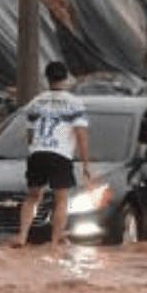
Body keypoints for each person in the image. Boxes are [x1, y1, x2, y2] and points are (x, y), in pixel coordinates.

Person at [15, 61, 91, 250]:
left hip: (38, 153)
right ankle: (55, 242)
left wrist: (36, 149)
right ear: (66, 78)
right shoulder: (75, 103)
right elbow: (81, 135)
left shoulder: (36, 102)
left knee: (32, 197)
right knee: (61, 200)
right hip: (60, 155)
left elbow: (30, 134)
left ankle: (22, 236)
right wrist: (86, 164)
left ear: (46, 79)